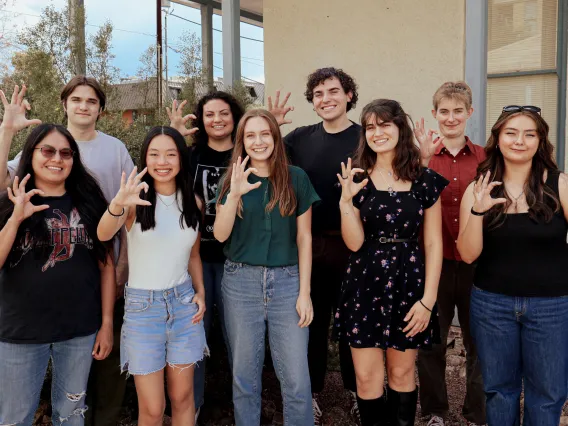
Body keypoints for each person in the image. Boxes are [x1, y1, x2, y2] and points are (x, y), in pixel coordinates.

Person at [0, 78, 134, 426]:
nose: (56, 159)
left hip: (79, 329)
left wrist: (106, 323)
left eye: (65, 153)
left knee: (71, 414)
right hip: (19, 331)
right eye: (47, 151)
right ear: (31, 155)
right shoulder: (14, 198)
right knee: (15, 417)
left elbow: (104, 263)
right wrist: (15, 219)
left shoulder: (90, 202)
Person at [334, 99, 447, 426]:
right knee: (367, 378)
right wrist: (345, 200)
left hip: (409, 285)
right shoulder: (356, 177)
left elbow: (433, 242)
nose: (377, 132)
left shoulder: (424, 179)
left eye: (384, 124)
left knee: (401, 373)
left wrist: (428, 301)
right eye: (370, 126)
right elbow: (354, 242)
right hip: (364, 286)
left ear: (400, 127)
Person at [457, 105, 568, 426]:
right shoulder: (479, 189)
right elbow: (467, 254)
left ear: (540, 141)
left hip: (552, 307)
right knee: (498, 391)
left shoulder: (559, 185)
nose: (519, 141)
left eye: (529, 134)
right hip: (492, 305)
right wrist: (478, 211)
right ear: (498, 138)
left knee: (547, 394)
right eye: (511, 133)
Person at [214, 109, 319, 425]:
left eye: (264, 134)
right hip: (240, 282)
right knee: (244, 376)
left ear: (275, 136)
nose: (258, 141)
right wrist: (234, 195)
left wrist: (305, 293)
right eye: (250, 135)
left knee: (297, 379)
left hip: (288, 282)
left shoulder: (296, 178)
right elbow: (220, 234)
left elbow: (304, 238)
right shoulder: (233, 178)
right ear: (242, 142)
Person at [97, 126, 207, 426]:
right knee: (153, 409)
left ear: (181, 159)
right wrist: (119, 203)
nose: (163, 161)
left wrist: (201, 292)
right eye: (154, 154)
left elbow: (193, 255)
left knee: (183, 399)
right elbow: (103, 232)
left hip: (184, 307)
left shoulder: (193, 202)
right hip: (143, 311)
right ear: (144, 159)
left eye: (171, 154)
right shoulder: (135, 200)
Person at [268, 67, 358, 424]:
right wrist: (273, 127)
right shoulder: (298, 139)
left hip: (354, 247)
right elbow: (265, 157)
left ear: (349, 95)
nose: (326, 99)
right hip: (309, 246)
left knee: (353, 324)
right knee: (312, 323)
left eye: (334, 91)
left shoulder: (366, 138)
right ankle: (312, 394)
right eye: (319, 94)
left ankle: (358, 392)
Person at [167, 91, 245, 420]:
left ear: (234, 117)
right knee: (193, 334)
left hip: (238, 259)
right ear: (201, 120)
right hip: (194, 258)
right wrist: (172, 132)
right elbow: (161, 169)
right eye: (209, 114)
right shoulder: (191, 155)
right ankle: (190, 406)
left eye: (224, 113)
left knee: (239, 338)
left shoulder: (246, 155)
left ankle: (244, 405)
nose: (217, 120)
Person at [414, 81, 486, 426]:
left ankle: (476, 414)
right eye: (445, 111)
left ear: (469, 113)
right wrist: (423, 161)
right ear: (434, 114)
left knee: (479, 345)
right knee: (431, 343)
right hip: (434, 265)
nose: (451, 117)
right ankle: (434, 412)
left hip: (479, 265)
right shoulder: (419, 159)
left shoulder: (487, 158)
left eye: (459, 111)